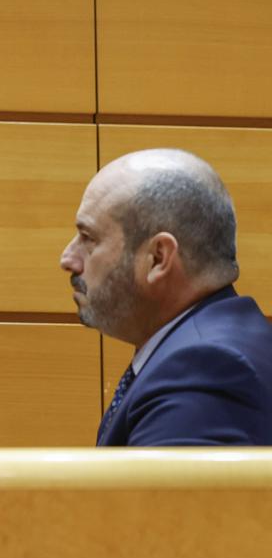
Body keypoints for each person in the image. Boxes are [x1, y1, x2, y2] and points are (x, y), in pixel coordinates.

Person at [60, 148, 272, 446]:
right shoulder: (209, 341)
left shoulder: (205, 370)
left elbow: (144, 496)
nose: (68, 259)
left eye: (88, 238)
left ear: (158, 258)